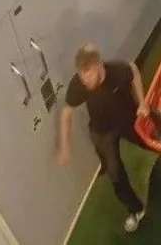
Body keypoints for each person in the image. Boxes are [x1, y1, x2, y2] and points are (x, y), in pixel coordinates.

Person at [57, 45, 150, 232]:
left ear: (100, 66)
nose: (86, 81)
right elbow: (66, 113)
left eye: (89, 74)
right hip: (102, 130)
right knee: (115, 174)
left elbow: (133, 70)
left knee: (150, 139)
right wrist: (64, 146)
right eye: (82, 76)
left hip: (128, 119)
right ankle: (136, 209)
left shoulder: (117, 71)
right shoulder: (78, 84)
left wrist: (143, 103)